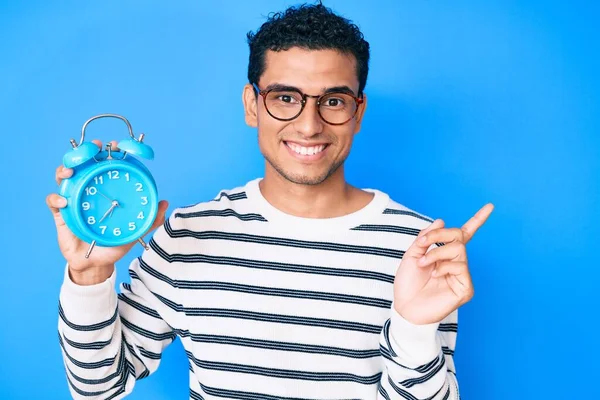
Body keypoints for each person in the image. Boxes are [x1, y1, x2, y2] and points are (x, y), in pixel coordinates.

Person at [47, 2, 493, 399]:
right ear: (252, 105)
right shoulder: (185, 238)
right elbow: (98, 388)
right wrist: (90, 274)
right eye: (285, 98)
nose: (308, 125)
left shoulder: (417, 248)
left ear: (358, 113)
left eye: (333, 101)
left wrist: (414, 330)